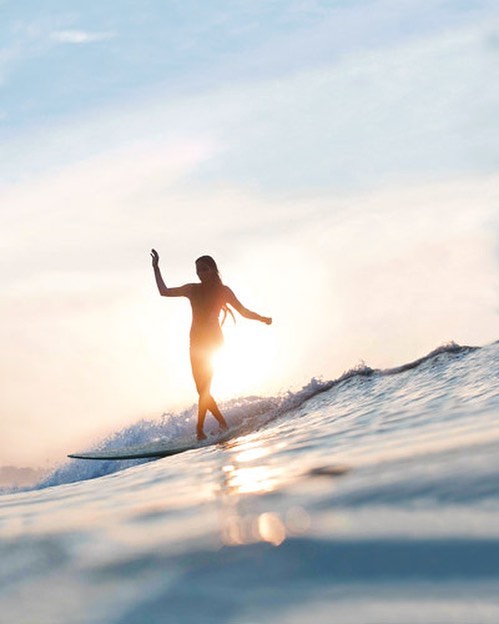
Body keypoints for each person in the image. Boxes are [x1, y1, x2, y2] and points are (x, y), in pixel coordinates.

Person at [150, 249, 272, 440]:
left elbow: (243, 311)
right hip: (195, 345)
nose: (200, 273)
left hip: (213, 343)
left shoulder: (223, 291)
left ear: (213, 270)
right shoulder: (192, 289)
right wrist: (156, 268)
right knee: (201, 391)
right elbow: (164, 292)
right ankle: (221, 424)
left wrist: (262, 318)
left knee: (204, 389)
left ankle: (200, 430)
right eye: (197, 270)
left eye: (204, 269)